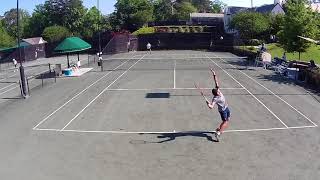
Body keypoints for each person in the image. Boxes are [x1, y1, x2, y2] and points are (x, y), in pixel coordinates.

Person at [206, 69, 231, 142]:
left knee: (228, 119)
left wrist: (214, 74)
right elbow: (211, 107)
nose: (219, 91)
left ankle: (218, 129)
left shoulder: (218, 90)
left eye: (218, 90)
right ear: (216, 93)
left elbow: (216, 81)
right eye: (218, 91)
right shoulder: (215, 99)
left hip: (226, 107)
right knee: (225, 121)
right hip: (222, 111)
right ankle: (218, 133)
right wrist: (208, 103)